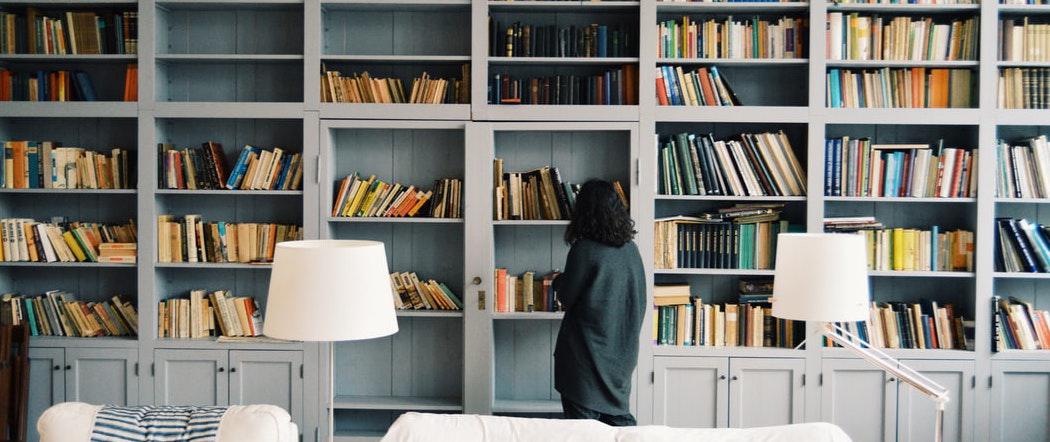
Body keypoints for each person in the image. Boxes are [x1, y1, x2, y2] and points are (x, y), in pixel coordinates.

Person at [553, 179, 646, 426]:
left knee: (584, 430)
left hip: (585, 356)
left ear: (583, 211)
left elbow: (566, 297)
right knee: (619, 426)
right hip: (621, 355)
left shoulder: (584, 249)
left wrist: (557, 281)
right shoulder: (631, 250)